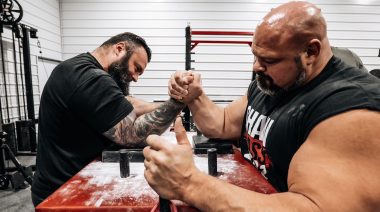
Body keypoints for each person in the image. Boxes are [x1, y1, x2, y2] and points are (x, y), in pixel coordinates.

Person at [143, 1, 380, 211]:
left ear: (311, 51)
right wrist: (195, 96)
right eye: (255, 56)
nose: (256, 67)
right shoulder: (273, 82)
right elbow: (223, 123)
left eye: (268, 60)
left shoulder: (352, 110)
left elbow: (314, 206)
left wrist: (190, 184)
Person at [31, 32, 188, 206]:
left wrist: (167, 104)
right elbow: (131, 136)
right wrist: (177, 103)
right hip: (62, 194)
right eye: (136, 68)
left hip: (60, 185)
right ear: (119, 49)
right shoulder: (90, 77)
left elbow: (128, 103)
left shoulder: (78, 68)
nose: (135, 78)